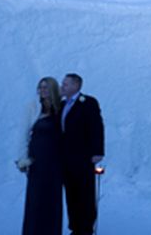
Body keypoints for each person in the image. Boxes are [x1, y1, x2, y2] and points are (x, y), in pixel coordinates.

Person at [16, 76, 63, 235]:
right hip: (38, 161)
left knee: (53, 200)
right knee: (36, 200)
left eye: (46, 87)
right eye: (40, 87)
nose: (42, 90)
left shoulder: (60, 108)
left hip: (55, 162)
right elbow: (22, 134)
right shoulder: (32, 107)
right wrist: (22, 159)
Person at [60, 73, 105, 235]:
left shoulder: (88, 102)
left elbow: (97, 127)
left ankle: (86, 228)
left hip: (83, 157)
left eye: (65, 84)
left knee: (85, 192)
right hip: (66, 158)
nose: (62, 86)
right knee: (71, 193)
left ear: (76, 86)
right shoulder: (62, 104)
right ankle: (75, 227)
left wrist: (98, 151)